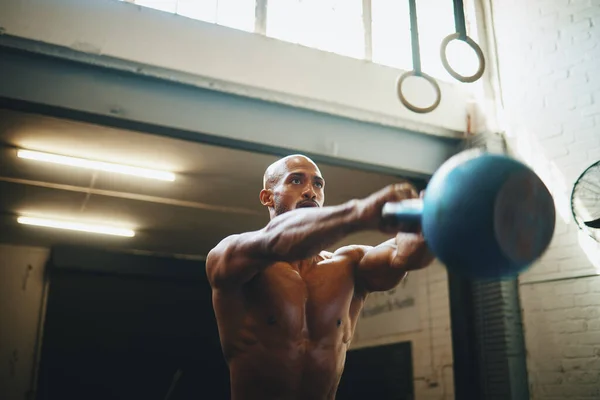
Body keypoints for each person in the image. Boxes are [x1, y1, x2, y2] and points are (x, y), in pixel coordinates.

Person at [206, 154, 435, 400]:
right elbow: (280, 242)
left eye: (318, 184)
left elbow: (405, 256)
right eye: (295, 181)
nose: (310, 191)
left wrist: (433, 220)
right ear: (268, 197)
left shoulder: (349, 265)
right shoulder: (234, 255)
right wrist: (359, 213)